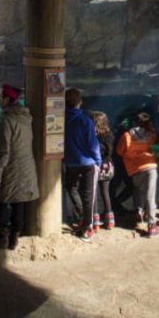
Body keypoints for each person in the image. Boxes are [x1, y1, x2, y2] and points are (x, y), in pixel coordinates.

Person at [0, 85, 39, 250]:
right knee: (19, 201)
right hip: (26, 167)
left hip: (11, 167)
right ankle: (15, 237)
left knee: (0, 199)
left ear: (7, 99)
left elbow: (4, 150)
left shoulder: (7, 119)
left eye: (0, 97)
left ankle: (3, 236)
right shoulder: (26, 117)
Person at [62, 88, 103, 241]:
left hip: (70, 163)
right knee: (88, 196)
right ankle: (87, 227)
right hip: (88, 164)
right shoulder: (85, 121)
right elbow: (93, 144)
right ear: (80, 102)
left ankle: (82, 218)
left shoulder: (61, 120)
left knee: (71, 189)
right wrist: (98, 161)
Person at [118, 111, 159, 237]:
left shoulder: (126, 136)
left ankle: (140, 212)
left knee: (138, 190)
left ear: (133, 122)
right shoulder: (151, 136)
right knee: (150, 196)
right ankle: (152, 226)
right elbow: (157, 148)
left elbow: (119, 151)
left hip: (134, 169)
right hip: (150, 167)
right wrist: (151, 127)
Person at [89, 110, 117, 232]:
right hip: (107, 166)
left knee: (94, 194)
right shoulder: (110, 135)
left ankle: (95, 222)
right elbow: (110, 151)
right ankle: (110, 220)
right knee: (105, 193)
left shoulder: (91, 135)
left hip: (95, 166)